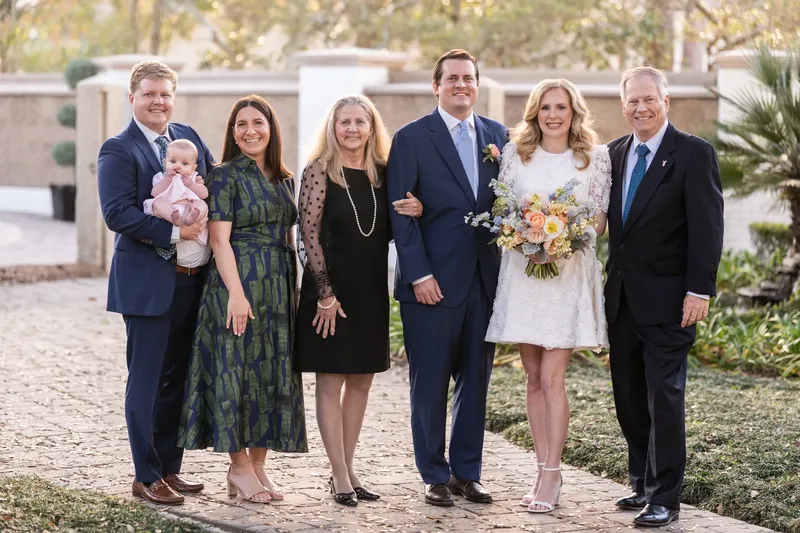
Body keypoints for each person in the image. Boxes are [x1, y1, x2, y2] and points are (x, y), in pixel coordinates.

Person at [387, 49, 508, 507]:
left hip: (485, 281)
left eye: (469, 78)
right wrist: (419, 274)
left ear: (477, 84)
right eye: (452, 78)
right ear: (436, 85)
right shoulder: (412, 137)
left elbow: (506, 204)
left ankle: (466, 472)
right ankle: (433, 474)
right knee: (431, 383)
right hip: (431, 283)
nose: (462, 85)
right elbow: (402, 213)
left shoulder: (499, 136)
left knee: (475, 381)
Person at [484, 79, 611, 513]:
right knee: (533, 378)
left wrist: (560, 236)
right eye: (545, 108)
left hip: (566, 277)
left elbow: (598, 222)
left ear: (574, 112)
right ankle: (539, 468)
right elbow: (504, 214)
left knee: (554, 379)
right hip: (524, 275)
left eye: (561, 107)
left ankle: (554, 475)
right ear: (535, 112)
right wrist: (526, 235)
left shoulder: (594, 158)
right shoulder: (518, 157)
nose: (553, 115)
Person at [605, 67, 724, 527]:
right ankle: (641, 481)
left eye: (648, 99)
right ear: (623, 106)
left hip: (673, 300)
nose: (641, 108)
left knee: (665, 398)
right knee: (629, 398)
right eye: (632, 101)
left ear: (665, 100)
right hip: (622, 300)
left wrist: (700, 290)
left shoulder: (694, 154)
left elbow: (708, 228)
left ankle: (665, 497)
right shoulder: (613, 154)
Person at [178, 95, 307, 504]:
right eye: (241, 125)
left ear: (272, 128)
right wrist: (236, 293)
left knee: (269, 373)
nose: (250, 131)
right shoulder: (224, 175)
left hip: (278, 286)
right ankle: (238, 466)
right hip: (237, 281)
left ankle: (258, 465)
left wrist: (295, 292)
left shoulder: (284, 178)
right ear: (233, 133)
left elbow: (290, 235)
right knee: (236, 371)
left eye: (258, 122)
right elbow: (218, 239)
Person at [295, 95, 423, 506]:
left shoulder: (384, 174)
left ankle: (348, 468)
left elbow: (393, 227)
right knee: (330, 380)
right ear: (333, 127)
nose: (352, 129)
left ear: (372, 128)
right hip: (328, 292)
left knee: (362, 382)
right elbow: (307, 234)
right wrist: (325, 294)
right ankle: (337, 473)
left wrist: (419, 207)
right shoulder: (318, 171)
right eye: (344, 122)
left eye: (360, 122)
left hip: (369, 291)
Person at [97, 60, 213, 505]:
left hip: (191, 281)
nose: (158, 101)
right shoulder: (118, 149)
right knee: (145, 381)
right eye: (149, 94)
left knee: (177, 380)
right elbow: (117, 213)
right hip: (147, 284)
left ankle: (169, 468)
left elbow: (212, 181)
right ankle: (145, 476)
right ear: (133, 98)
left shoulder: (187, 137)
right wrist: (174, 231)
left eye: (165, 93)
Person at [144, 139, 210, 245]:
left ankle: (191, 218)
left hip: (189, 206)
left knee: (201, 204)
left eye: (185, 163)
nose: (178, 166)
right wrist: (167, 180)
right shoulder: (161, 177)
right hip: (170, 207)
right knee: (158, 202)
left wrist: (192, 185)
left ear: (193, 167)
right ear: (165, 163)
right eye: (173, 161)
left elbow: (204, 194)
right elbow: (155, 193)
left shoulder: (193, 178)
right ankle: (174, 218)